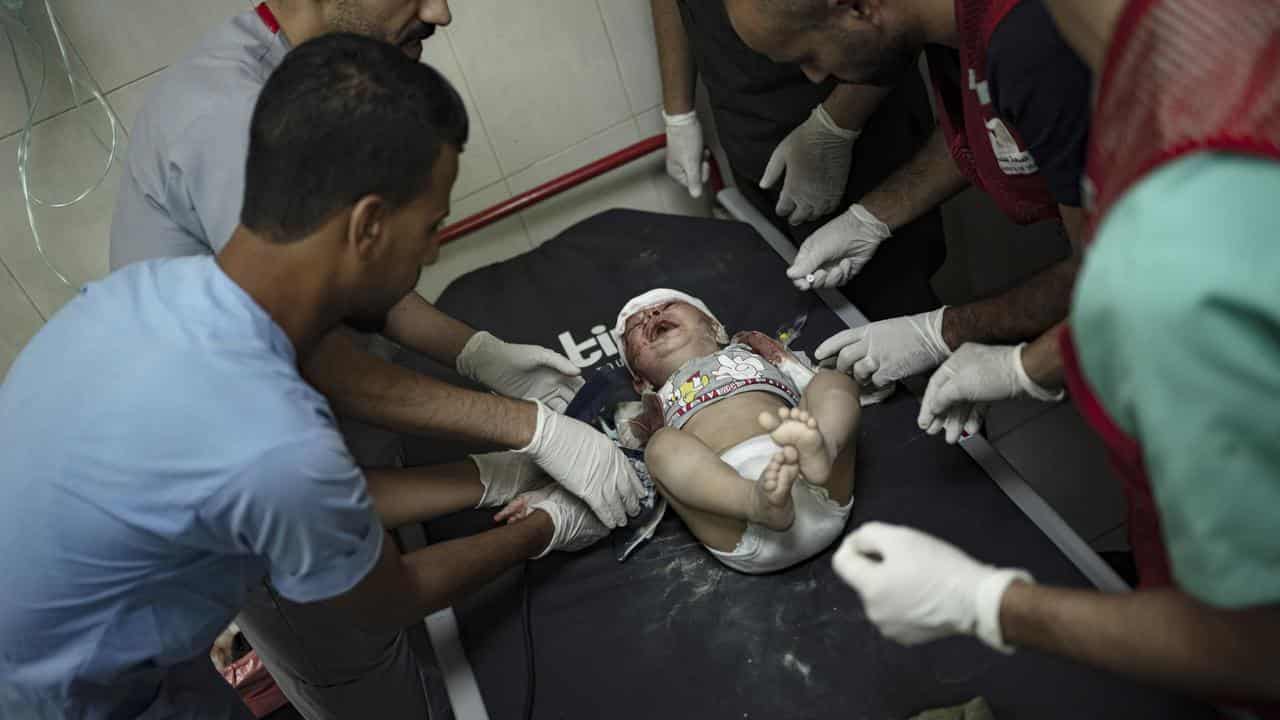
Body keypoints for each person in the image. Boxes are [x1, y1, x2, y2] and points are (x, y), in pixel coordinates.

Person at [0, 36, 616, 720]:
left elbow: (294, 502)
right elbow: (389, 597)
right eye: (432, 225)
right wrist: (548, 525)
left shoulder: (141, 295)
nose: (436, 248)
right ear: (369, 227)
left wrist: (502, 471)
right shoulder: (271, 433)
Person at [831, 0, 1280, 712]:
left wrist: (989, 604)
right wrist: (1023, 369)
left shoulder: (1168, 233)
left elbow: (1253, 651)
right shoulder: (1205, 46)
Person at [723, 0, 1094, 443]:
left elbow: (1105, 272)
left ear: (858, 9)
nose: (816, 78)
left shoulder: (1028, 42)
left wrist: (950, 335)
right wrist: (870, 218)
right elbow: (993, 128)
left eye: (809, 56)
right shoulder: (945, 27)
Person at [500, 290, 860, 575]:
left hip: (812, 477)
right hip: (735, 519)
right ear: (639, 377)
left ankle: (824, 449)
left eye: (667, 305)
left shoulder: (759, 353)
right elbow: (599, 460)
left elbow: (822, 388)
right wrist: (547, 495)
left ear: (715, 329)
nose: (651, 316)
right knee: (661, 447)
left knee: (832, 381)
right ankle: (756, 500)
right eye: (636, 329)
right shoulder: (648, 407)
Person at [652, 0, 945, 322]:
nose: (815, 73)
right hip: (746, 126)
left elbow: (890, 26)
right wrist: (677, 113)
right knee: (811, 311)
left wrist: (836, 126)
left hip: (855, 119)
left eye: (808, 59)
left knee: (892, 307)